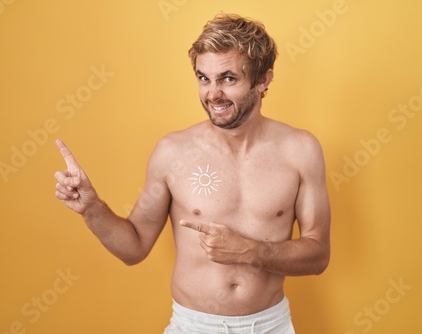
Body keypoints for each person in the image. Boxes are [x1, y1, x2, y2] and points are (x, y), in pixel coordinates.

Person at [54, 13, 330, 334]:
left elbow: (318, 254)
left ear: (263, 80)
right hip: (193, 326)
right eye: (204, 78)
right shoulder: (173, 152)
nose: (212, 94)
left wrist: (251, 251)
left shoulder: (301, 150)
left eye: (228, 79)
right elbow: (134, 248)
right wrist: (92, 209)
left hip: (270, 326)